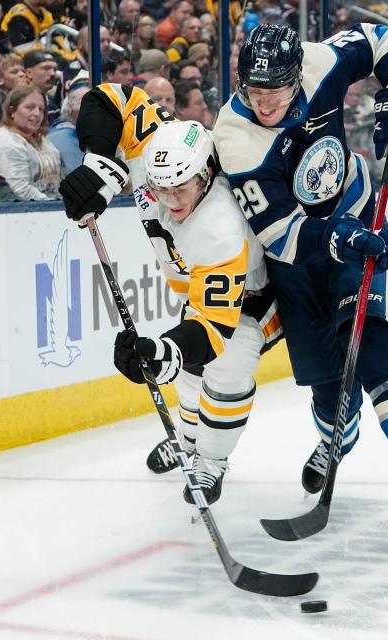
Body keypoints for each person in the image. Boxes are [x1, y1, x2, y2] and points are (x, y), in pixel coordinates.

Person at [214, 24, 388, 548]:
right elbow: (282, 234)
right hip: (299, 259)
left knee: (374, 349)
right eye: (254, 92)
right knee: (329, 386)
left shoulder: (319, 61)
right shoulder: (236, 139)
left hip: (355, 210)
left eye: (276, 93)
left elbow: (382, 39)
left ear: (296, 76)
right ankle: (338, 435)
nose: (265, 104)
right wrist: (341, 239)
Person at [116, 120, 282, 503]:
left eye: (181, 188)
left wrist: (161, 352)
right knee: (190, 375)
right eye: (162, 189)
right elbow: (120, 105)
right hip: (206, 294)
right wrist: (95, 164)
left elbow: (212, 328)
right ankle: (187, 441)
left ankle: (211, 461)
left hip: (255, 301)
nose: (170, 200)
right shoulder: (162, 168)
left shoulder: (219, 225)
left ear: (207, 174)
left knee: (228, 364)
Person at [0, 85, 60, 200]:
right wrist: (54, 206)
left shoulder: (40, 139)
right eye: (30, 107)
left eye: (41, 109)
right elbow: (19, 190)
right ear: (12, 111)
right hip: (25, 213)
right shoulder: (6, 140)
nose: (37, 113)